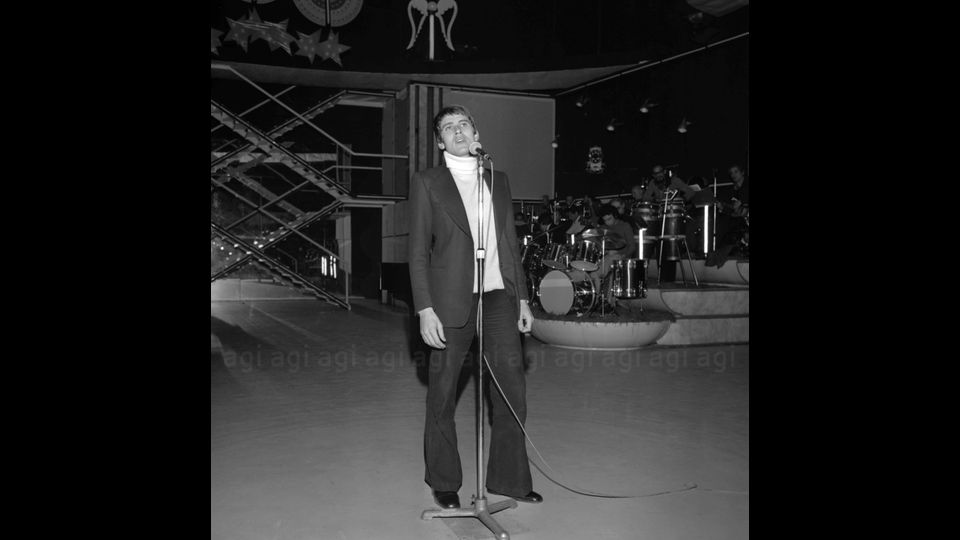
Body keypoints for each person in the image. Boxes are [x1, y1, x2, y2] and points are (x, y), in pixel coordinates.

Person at [408, 105, 542, 510]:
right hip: (450, 300)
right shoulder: (428, 181)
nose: (458, 131)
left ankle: (509, 479)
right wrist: (424, 308)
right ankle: (444, 480)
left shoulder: (497, 179)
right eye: (448, 128)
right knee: (443, 394)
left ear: (475, 131)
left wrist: (522, 297)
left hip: (499, 298)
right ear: (440, 142)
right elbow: (416, 252)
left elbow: (509, 244)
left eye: (463, 124)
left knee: (511, 392)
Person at [586, 204, 637, 306]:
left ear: (615, 215)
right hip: (608, 257)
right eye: (605, 220)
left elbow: (632, 247)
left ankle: (608, 302)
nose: (607, 222)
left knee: (608, 267)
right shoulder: (604, 228)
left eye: (609, 219)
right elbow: (598, 243)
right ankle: (595, 300)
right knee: (594, 273)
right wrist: (601, 248)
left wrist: (622, 255)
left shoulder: (625, 226)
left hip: (621, 257)